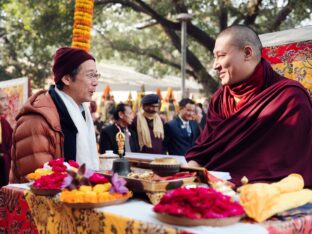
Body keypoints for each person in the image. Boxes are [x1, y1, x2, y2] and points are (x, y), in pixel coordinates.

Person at [186, 25, 312, 188]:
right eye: (214, 57)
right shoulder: (219, 99)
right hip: (214, 189)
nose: (215, 65)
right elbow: (203, 151)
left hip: (267, 196)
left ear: (247, 53)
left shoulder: (290, 97)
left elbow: (297, 166)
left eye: (221, 56)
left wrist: (242, 186)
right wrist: (189, 173)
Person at [10, 47, 100, 183]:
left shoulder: (82, 113)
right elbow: (40, 183)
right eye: (90, 75)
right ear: (67, 78)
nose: (95, 82)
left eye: (96, 75)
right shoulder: (37, 120)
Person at [0, 89, 13, 186]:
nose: (5, 104)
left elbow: (12, 146)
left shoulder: (4, 123)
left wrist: (4, 156)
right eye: (1, 100)